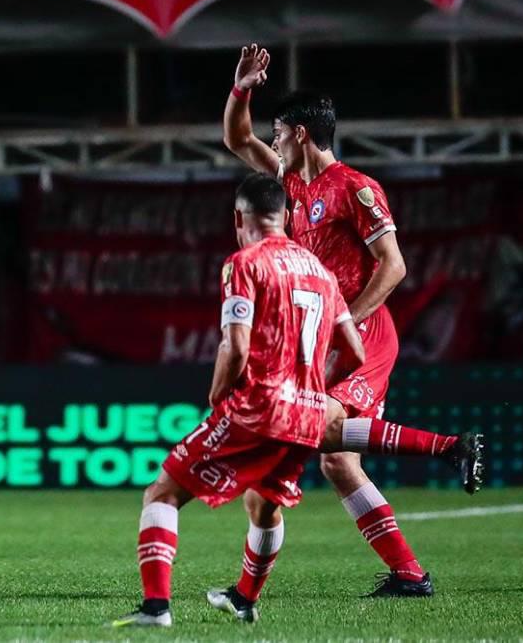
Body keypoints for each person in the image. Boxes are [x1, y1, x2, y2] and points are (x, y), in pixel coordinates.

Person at [222, 44, 484, 597]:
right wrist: (242, 89)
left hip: (363, 333)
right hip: (324, 334)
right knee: (339, 463)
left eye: (277, 133)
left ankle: (449, 447)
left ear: (299, 133)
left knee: (315, 430)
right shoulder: (291, 182)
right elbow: (237, 140)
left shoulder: (356, 188)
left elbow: (394, 264)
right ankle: (410, 575)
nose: (272, 141)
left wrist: (345, 320)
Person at [112, 174, 366, 627]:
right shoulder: (320, 270)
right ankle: (245, 599)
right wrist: (313, 388)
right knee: (265, 505)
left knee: (163, 492)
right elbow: (355, 351)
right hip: (306, 416)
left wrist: (218, 394)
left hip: (260, 407)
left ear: (238, 218)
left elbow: (236, 345)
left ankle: (155, 608)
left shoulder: (244, 263)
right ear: (286, 216)